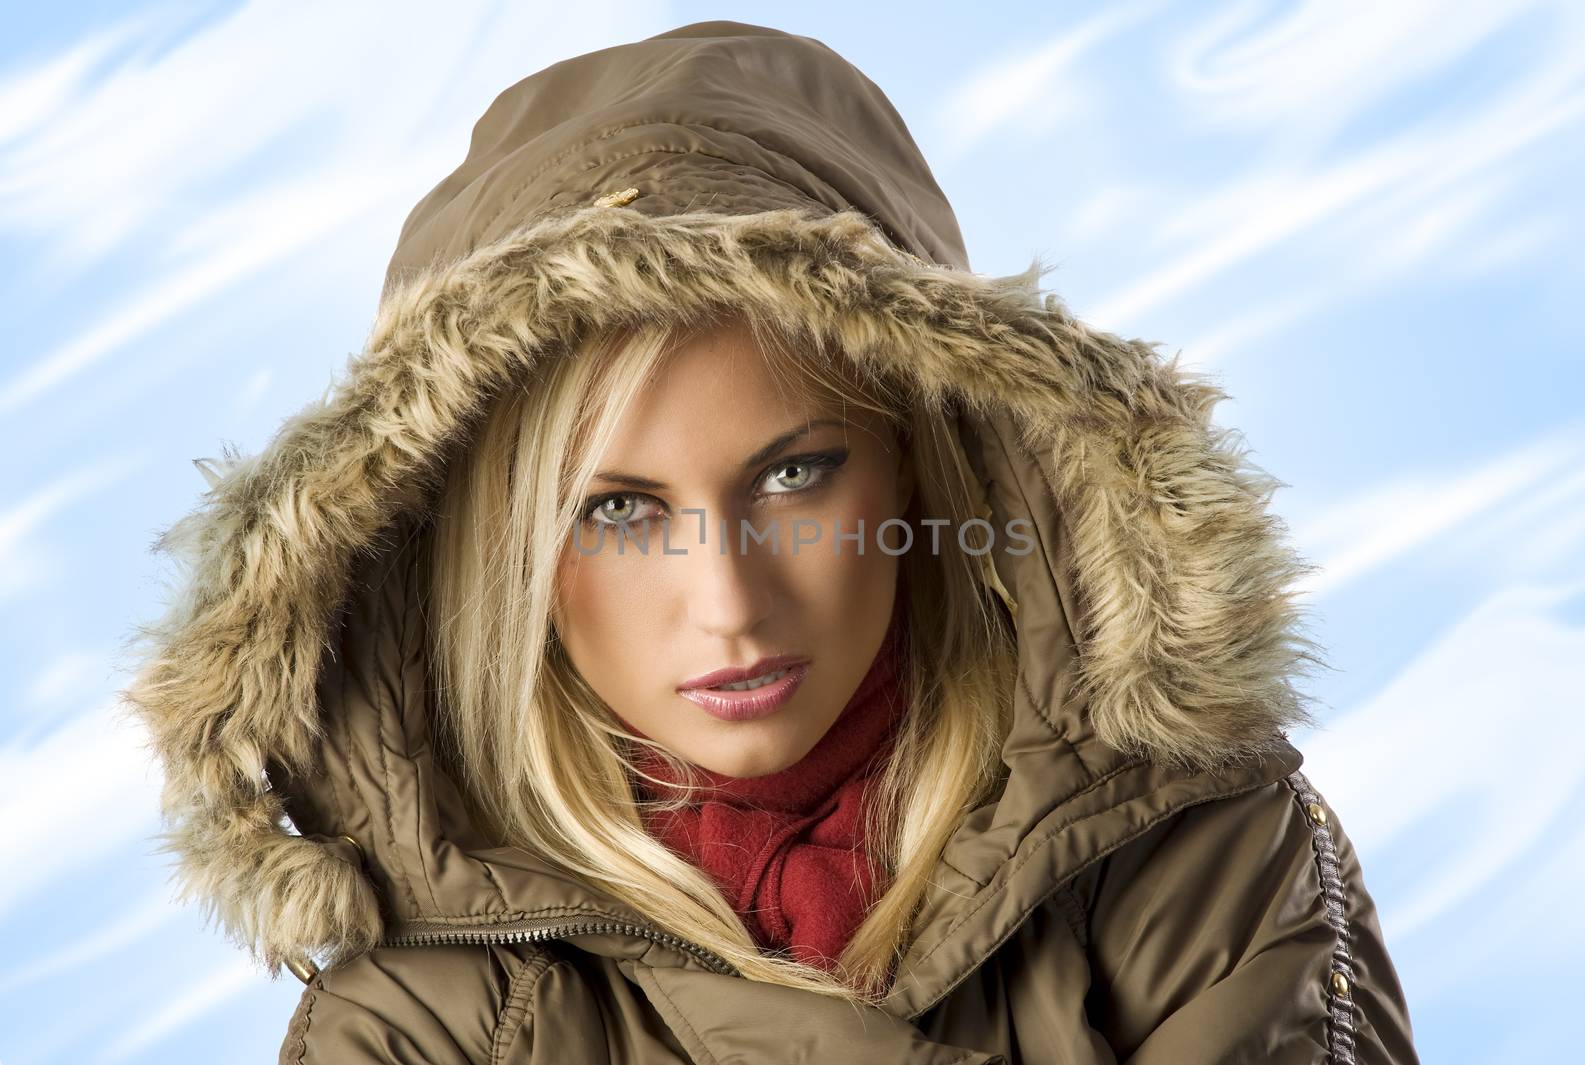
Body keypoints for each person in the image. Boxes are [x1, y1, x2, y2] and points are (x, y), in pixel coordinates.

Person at [122, 19, 1420, 1064]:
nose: (728, 603)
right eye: (617, 510)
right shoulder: (422, 1026)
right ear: (498, 561)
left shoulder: (1192, 850)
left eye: (795, 474)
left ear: (930, 455)